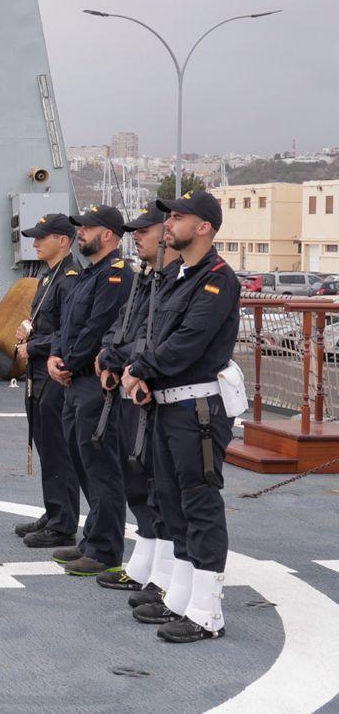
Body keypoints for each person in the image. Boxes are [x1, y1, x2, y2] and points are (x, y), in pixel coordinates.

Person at [123, 189, 239, 643]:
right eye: (168, 217)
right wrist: (143, 373)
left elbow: (188, 341)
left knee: (200, 502)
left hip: (199, 409)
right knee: (172, 500)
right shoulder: (181, 276)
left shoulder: (216, 279)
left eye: (178, 217)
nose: (168, 223)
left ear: (204, 226)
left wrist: (140, 369)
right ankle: (182, 596)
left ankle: (208, 612)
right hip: (168, 404)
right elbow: (157, 334)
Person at [94, 202, 180, 598]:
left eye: (144, 231)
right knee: (136, 482)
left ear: (164, 234)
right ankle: (143, 563)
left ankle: (165, 575)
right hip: (129, 389)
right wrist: (107, 357)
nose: (137, 238)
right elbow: (123, 324)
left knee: (158, 485)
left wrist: (123, 361)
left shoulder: (174, 280)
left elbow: (157, 336)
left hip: (155, 394)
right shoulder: (147, 277)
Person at [47, 205, 133, 578]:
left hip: (94, 384)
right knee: (82, 463)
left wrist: (68, 363)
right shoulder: (87, 274)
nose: (80, 232)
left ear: (110, 235)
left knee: (102, 469)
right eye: (80, 226)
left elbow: (98, 327)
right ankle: (91, 539)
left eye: (88, 227)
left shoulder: (115, 275)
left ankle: (104, 549)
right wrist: (54, 355)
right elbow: (67, 324)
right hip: (74, 381)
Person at [13, 213, 81, 550]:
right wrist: (27, 330)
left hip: (54, 373)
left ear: (63, 241)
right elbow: (45, 321)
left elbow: (67, 330)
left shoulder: (69, 278)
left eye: (43, 237)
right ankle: (53, 511)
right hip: (39, 373)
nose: (36, 242)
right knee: (46, 447)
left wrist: (33, 345)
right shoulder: (48, 276)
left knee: (58, 449)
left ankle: (64, 523)